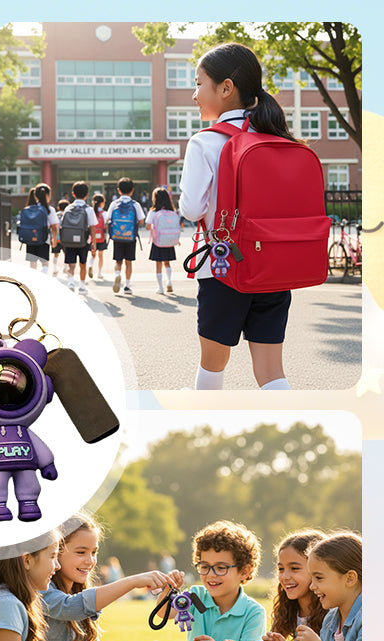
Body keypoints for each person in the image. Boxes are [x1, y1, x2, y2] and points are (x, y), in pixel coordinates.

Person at [179, 43, 297, 390]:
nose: (194, 94)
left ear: (226, 88)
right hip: (274, 269)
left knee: (213, 368)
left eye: (199, 83)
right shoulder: (278, 139)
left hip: (223, 269)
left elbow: (191, 209)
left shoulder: (205, 142)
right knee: (272, 373)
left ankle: (206, 434)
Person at [35, 512, 181, 641]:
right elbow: (70, 607)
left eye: (94, 552)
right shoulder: (41, 590)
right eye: (81, 552)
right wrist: (132, 581)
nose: (90, 561)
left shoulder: (86, 600)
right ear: (56, 554)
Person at [127, 520, 265, 641]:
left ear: (244, 571)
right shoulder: (197, 597)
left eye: (221, 568)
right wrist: (168, 588)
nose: (211, 575)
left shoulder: (253, 611)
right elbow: (163, 612)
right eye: (205, 566)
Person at [105, 177, 144, 295]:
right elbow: (141, 221)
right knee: (128, 262)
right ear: (132, 191)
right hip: (130, 237)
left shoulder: (114, 204)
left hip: (117, 237)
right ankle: (127, 287)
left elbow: (108, 219)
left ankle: (117, 274)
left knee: (118, 261)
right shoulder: (135, 204)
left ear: (119, 190)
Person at [60, 180, 97, 295]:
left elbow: (62, 225)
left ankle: (70, 282)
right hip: (83, 241)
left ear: (73, 194)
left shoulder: (67, 208)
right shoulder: (89, 209)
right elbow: (92, 228)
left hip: (69, 240)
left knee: (71, 263)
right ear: (87, 195)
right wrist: (94, 243)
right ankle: (82, 286)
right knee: (83, 264)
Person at [145, 187, 179, 294]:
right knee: (167, 263)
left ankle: (160, 287)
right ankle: (169, 281)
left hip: (158, 241)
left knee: (158, 264)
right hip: (169, 241)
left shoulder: (153, 212)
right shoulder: (171, 211)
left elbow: (147, 226)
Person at [20, 183, 59, 270]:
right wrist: (55, 239)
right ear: (47, 195)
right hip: (44, 239)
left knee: (32, 265)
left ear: (35, 195)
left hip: (30, 239)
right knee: (45, 264)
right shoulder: (50, 210)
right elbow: (54, 227)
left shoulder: (29, 208)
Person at [88, 193, 108, 279]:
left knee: (93, 254)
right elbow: (106, 226)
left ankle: (90, 265)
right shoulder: (104, 213)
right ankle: (99, 273)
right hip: (101, 238)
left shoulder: (90, 212)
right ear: (102, 203)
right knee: (100, 255)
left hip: (92, 238)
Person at [50, 198, 68, 276]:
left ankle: (54, 268)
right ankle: (65, 268)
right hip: (65, 238)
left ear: (58, 207)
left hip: (55, 238)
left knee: (55, 254)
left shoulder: (55, 214)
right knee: (66, 253)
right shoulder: (68, 215)